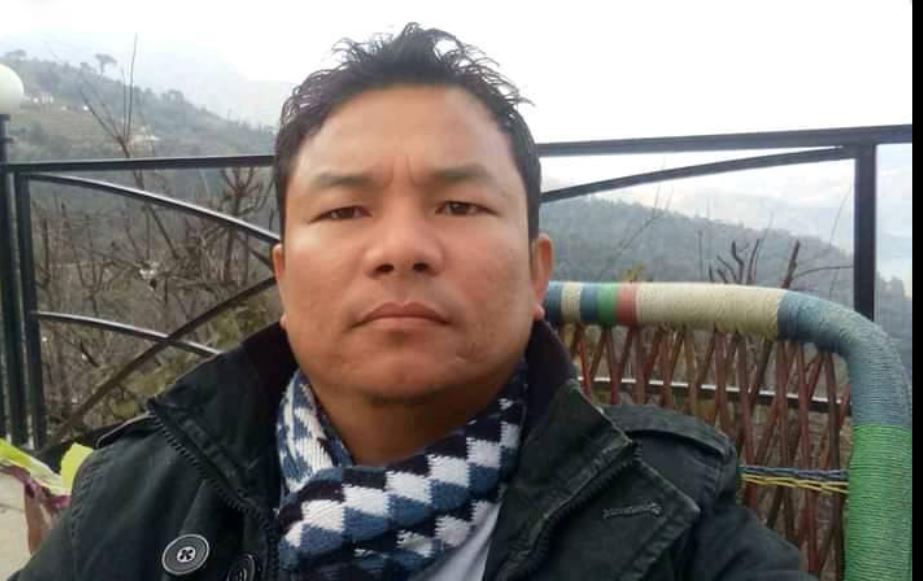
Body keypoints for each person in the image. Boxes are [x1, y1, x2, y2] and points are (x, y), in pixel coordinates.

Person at [13, 23, 811, 580]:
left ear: (534, 274)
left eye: (458, 205)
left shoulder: (670, 517)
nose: (400, 246)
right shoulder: (131, 505)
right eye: (344, 210)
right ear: (284, 277)